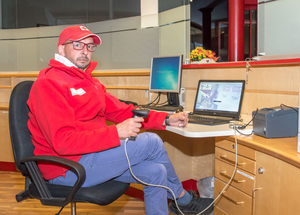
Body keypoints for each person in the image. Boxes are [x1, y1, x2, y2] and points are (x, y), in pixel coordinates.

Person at [27, 25, 214, 215]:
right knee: (151, 141)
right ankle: (183, 200)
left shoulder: (89, 82)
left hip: (93, 155)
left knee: (156, 171)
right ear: (61, 49)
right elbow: (63, 142)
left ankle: (179, 203)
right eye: (77, 45)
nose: (85, 51)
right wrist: (115, 132)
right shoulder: (48, 85)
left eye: (90, 46)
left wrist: (166, 119)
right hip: (67, 167)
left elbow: (123, 111)